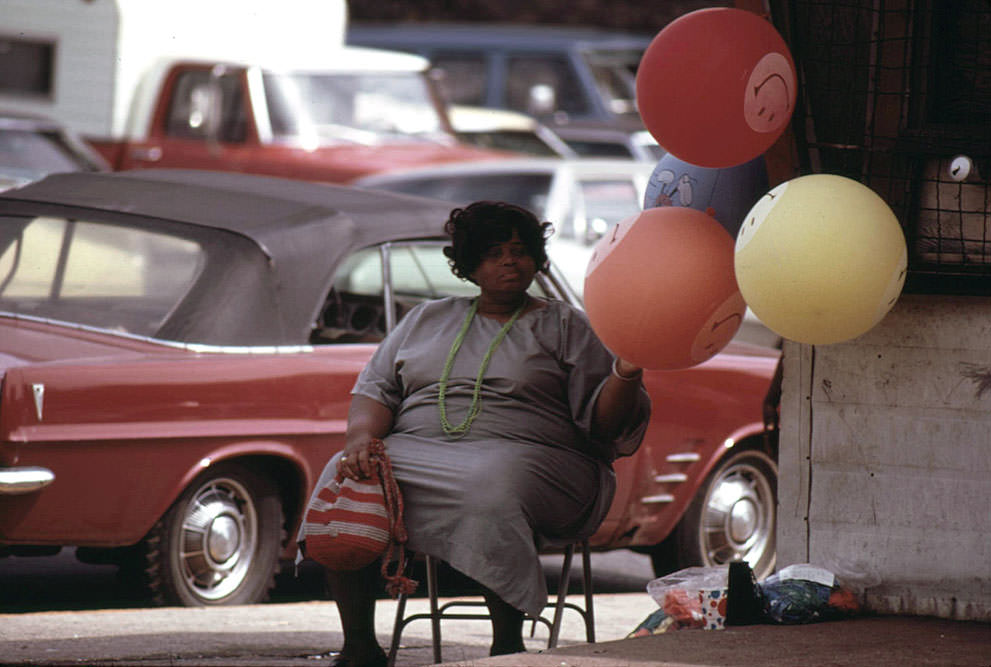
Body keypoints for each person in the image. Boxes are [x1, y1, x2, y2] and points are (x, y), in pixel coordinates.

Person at [302, 200, 651, 667]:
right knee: (342, 471)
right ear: (469, 264)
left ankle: (506, 644)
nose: (510, 260)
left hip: (540, 460)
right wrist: (360, 440)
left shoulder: (564, 323)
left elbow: (605, 426)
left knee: (492, 480)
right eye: (493, 252)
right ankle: (360, 645)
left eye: (520, 250)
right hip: (419, 451)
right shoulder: (426, 319)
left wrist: (626, 373)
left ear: (537, 258)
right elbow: (376, 390)